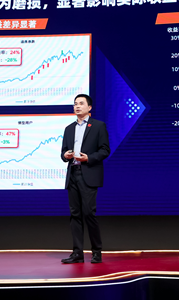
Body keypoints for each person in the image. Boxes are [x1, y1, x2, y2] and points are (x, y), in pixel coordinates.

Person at [60, 94, 110, 264]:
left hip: (88, 173)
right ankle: (77, 253)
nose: (77, 106)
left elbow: (105, 150)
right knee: (75, 214)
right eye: (75, 104)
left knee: (89, 213)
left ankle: (96, 251)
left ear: (89, 107)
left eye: (81, 103)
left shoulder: (98, 126)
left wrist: (88, 158)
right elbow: (63, 152)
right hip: (73, 174)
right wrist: (65, 155)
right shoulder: (68, 128)